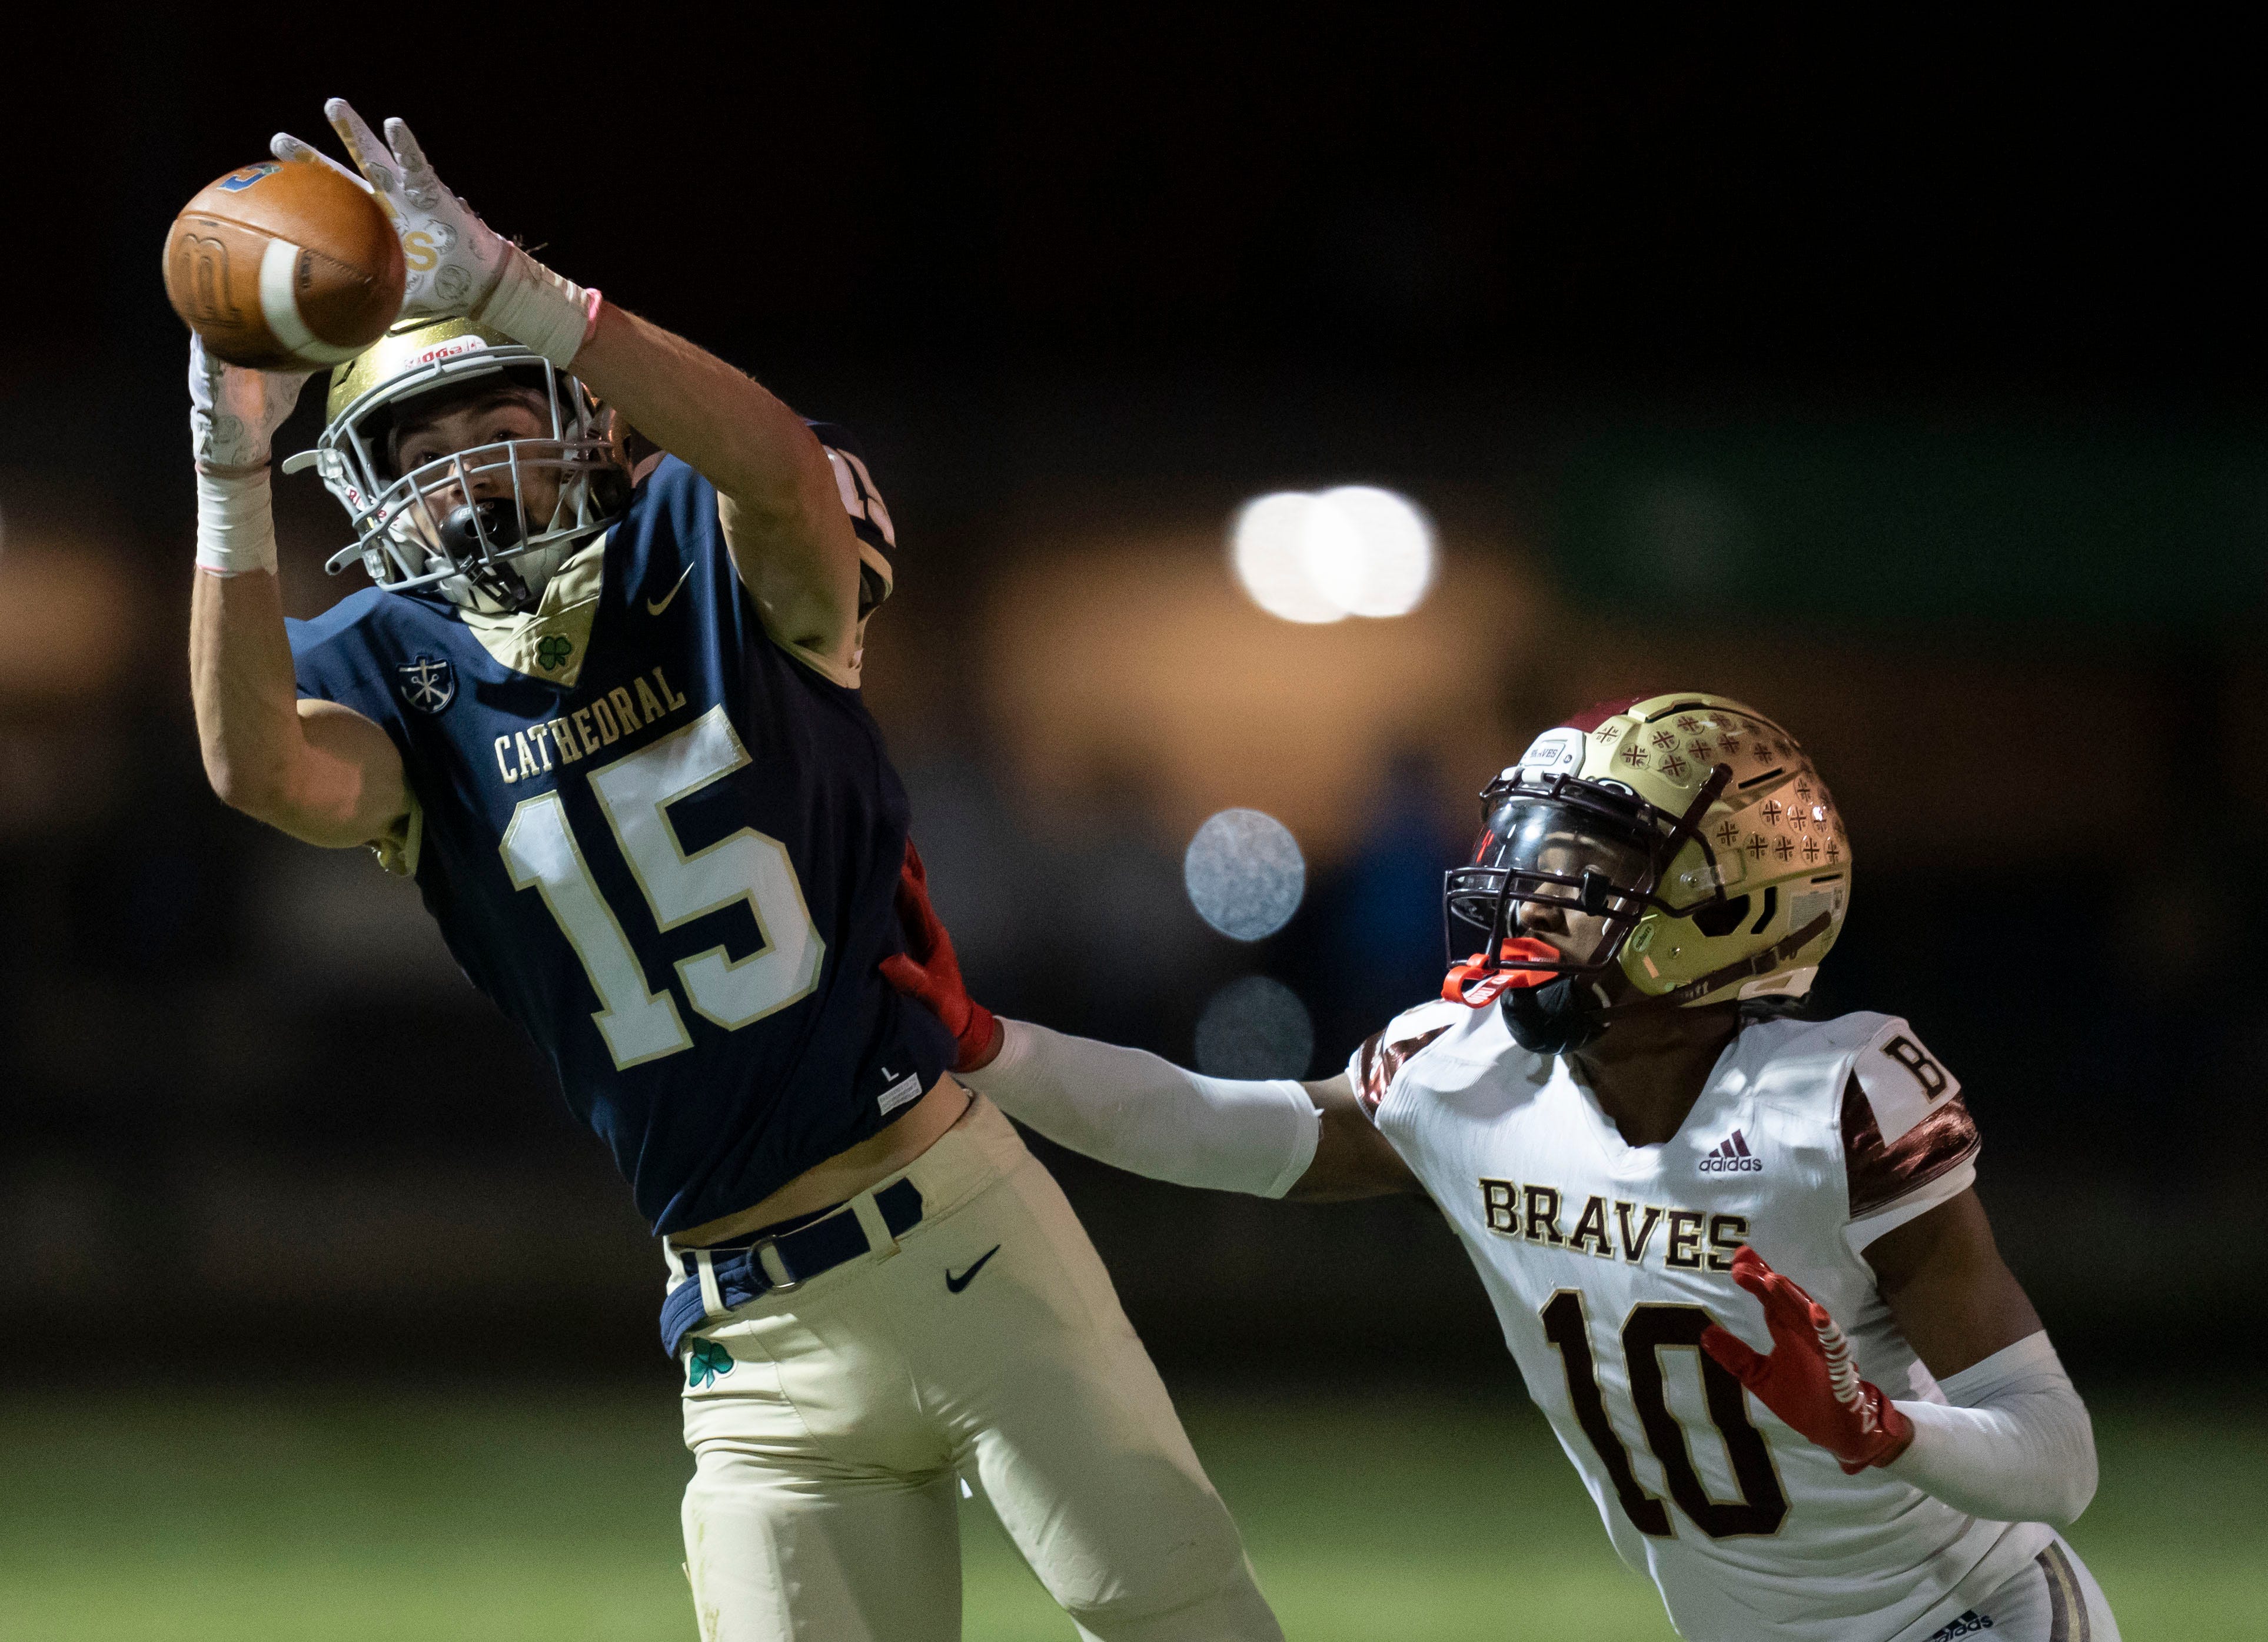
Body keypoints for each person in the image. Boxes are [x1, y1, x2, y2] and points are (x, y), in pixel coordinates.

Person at [187, 99, 1281, 1642]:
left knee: (1186, 1622)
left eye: (490, 417)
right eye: (411, 452)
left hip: (958, 1231)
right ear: (362, 494)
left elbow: (776, 474)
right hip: (742, 1326)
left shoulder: (702, 545)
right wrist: (228, 473)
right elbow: (258, 766)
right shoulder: (401, 679)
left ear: (584, 422)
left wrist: (524, 292)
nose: (459, 476)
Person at [886, 692, 2119, 1642]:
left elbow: (2057, 1457)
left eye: (1589, 872)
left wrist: (1879, 1428)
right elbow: (1224, 1129)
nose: (1529, 898)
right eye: (1536, 854)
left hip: (1967, 1620)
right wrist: (989, 1045)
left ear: (1728, 913)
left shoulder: (1834, 1105)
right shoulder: (1470, 1079)